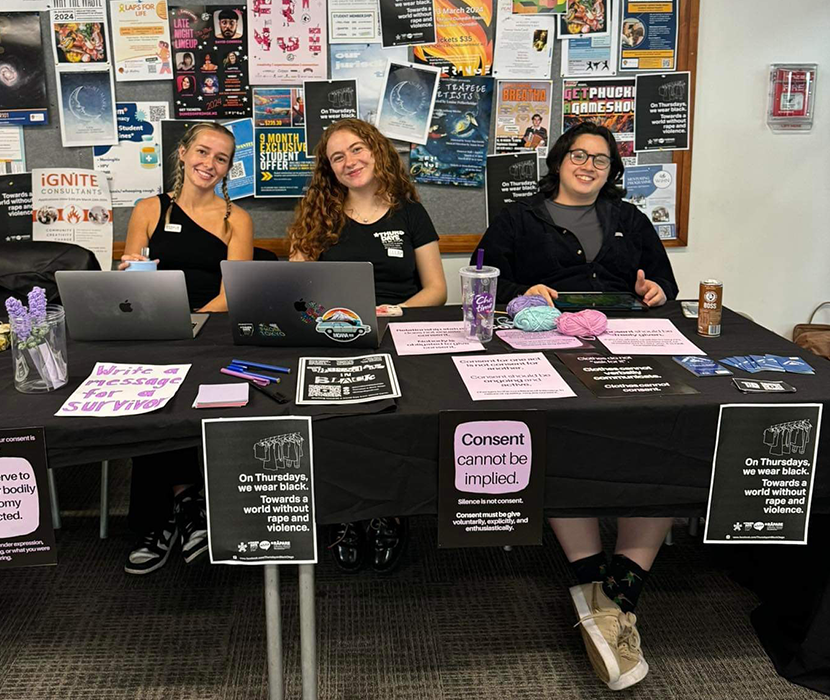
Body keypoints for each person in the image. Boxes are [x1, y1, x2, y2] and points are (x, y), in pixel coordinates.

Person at [473, 122, 678, 690]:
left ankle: (607, 602)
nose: (589, 165)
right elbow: (483, 279)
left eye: (601, 160)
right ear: (559, 160)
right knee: (556, 439)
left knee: (663, 434)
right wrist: (522, 294)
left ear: (612, 171)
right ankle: (601, 587)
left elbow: (664, 285)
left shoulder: (632, 221)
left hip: (626, 346)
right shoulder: (518, 217)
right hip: (545, 346)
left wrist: (656, 292)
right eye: (579, 155)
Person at [288, 118, 446, 574]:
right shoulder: (317, 214)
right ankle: (344, 515)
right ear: (328, 169)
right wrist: (326, 319)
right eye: (337, 157)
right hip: (332, 337)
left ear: (376, 151)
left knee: (393, 425)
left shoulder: (411, 212)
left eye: (356, 150)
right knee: (333, 423)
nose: (349, 162)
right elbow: (295, 289)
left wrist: (396, 311)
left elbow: (435, 289)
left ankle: (387, 512)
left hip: (397, 333)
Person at [119, 122, 253, 574]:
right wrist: (130, 273)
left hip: (211, 329)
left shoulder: (237, 219)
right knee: (147, 400)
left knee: (200, 393)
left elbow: (234, 292)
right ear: (182, 153)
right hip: (156, 331)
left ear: (229, 169)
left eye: (220, 158)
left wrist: (192, 324)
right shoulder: (147, 209)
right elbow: (132, 283)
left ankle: (188, 508)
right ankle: (176, 513)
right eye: (202, 151)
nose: (208, 164)